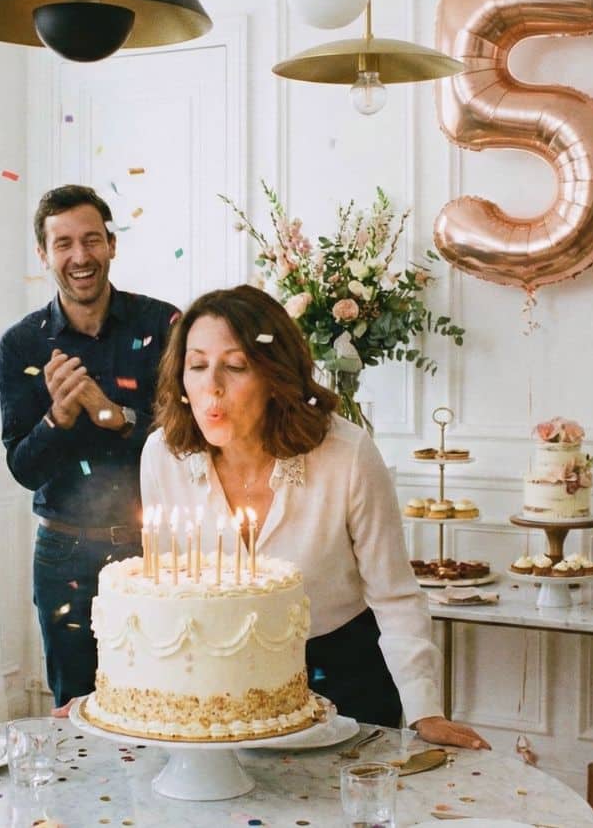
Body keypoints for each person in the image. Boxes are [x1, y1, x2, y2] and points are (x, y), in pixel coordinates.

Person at [139, 284, 488, 749]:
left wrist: (426, 711)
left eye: (236, 366)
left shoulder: (347, 456)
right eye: (197, 366)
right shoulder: (164, 455)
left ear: (274, 375)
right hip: (216, 681)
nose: (212, 386)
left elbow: (396, 596)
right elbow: (160, 594)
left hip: (342, 675)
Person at [0, 185, 179, 706]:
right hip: (63, 554)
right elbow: (23, 468)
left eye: (91, 240)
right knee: (75, 712)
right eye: (64, 244)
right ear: (43, 255)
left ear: (112, 245)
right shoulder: (21, 344)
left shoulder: (161, 324)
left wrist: (113, 415)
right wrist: (59, 418)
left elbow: (189, 445)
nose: (80, 257)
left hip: (152, 548)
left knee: (162, 703)